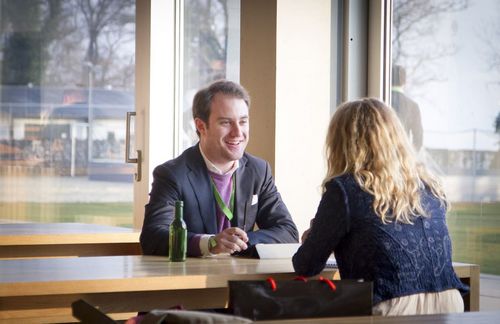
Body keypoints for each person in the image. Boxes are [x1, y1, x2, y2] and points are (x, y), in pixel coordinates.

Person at [292, 98, 468, 316]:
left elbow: (306, 266)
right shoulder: (429, 186)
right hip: (451, 304)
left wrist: (315, 236)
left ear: (340, 143)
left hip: (391, 306)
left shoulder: (345, 189)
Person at [140, 80, 298, 257]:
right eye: (226, 123)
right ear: (201, 126)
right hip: (193, 279)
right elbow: (153, 237)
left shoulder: (258, 170)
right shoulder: (172, 174)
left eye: (243, 122)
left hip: (240, 277)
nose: (238, 132)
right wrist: (210, 243)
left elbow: (288, 232)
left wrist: (239, 243)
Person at [391, 65, 423, 151]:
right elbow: (418, 139)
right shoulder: (412, 106)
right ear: (404, 82)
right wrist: (409, 157)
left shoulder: (379, 102)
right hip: (402, 155)